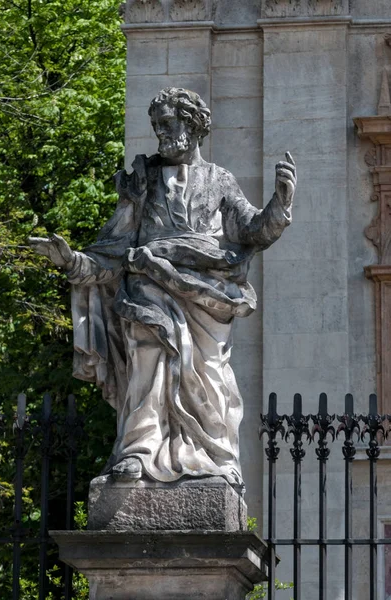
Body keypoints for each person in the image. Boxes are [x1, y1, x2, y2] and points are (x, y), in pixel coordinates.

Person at [29, 87, 296, 488]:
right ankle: (138, 450)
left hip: (205, 295)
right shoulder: (140, 180)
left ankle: (212, 457)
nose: (160, 133)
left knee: (207, 374)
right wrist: (71, 261)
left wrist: (280, 204)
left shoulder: (218, 179)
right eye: (156, 126)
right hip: (147, 286)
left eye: (167, 124)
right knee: (147, 359)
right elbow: (114, 250)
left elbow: (252, 230)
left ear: (192, 124)